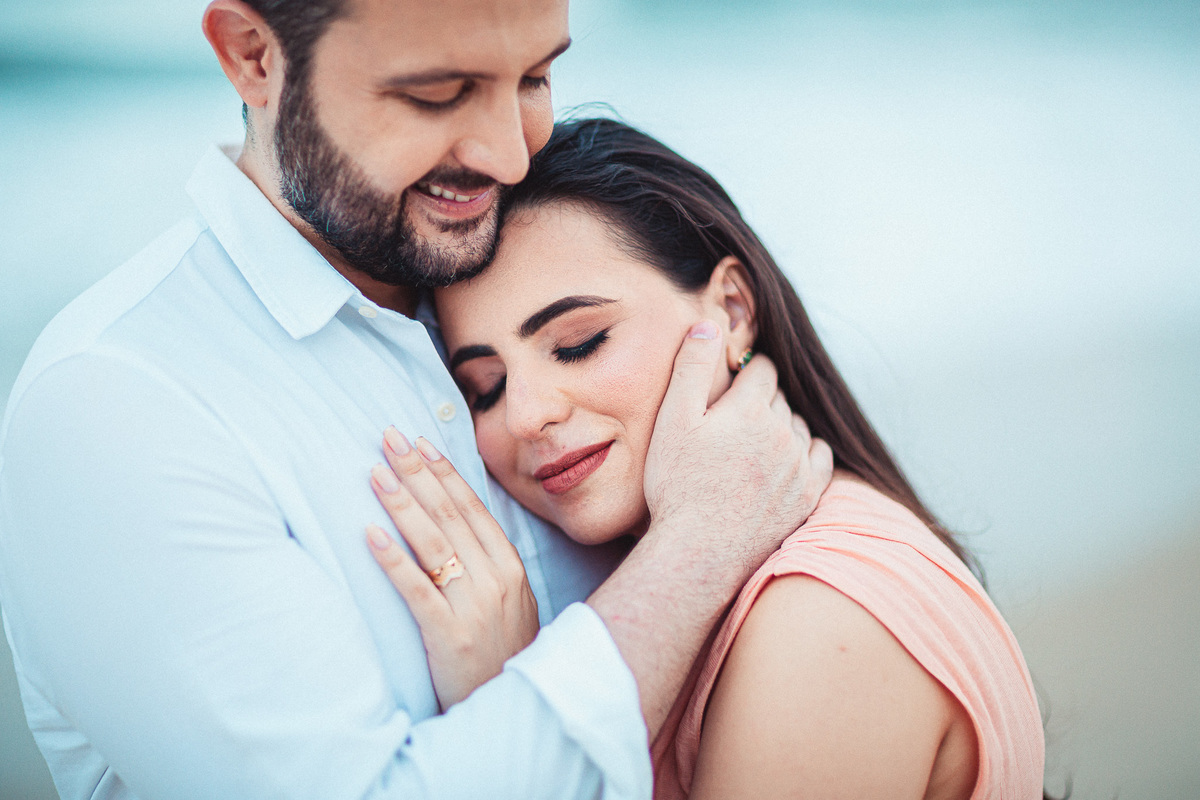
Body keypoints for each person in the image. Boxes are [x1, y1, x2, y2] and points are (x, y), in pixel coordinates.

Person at [0, 2, 833, 799]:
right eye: (438, 95)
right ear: (253, 55)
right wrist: (698, 550)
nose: (511, 156)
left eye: (535, 79)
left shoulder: (521, 262)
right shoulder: (116, 403)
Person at [363, 118, 1047, 799]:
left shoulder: (820, 620)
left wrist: (508, 725)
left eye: (579, 343)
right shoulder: (684, 589)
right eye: (485, 389)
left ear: (732, 309)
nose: (525, 415)